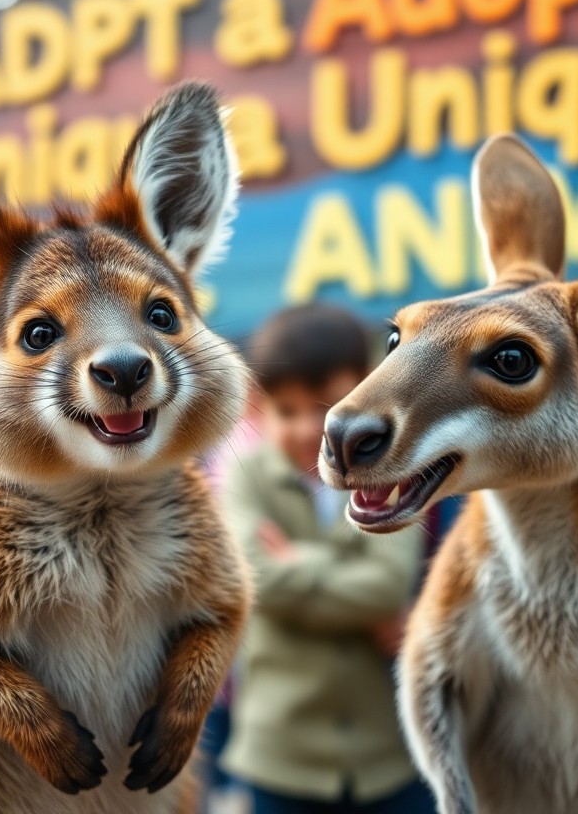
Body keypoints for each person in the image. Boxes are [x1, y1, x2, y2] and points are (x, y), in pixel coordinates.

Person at [221, 304, 432, 814]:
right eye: (286, 411)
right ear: (257, 408)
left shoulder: (391, 471)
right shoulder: (245, 475)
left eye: (328, 405)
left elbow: (386, 584)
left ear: (368, 386)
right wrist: (344, 576)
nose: (309, 428)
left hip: (388, 754)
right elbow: (257, 578)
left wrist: (294, 561)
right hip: (281, 757)